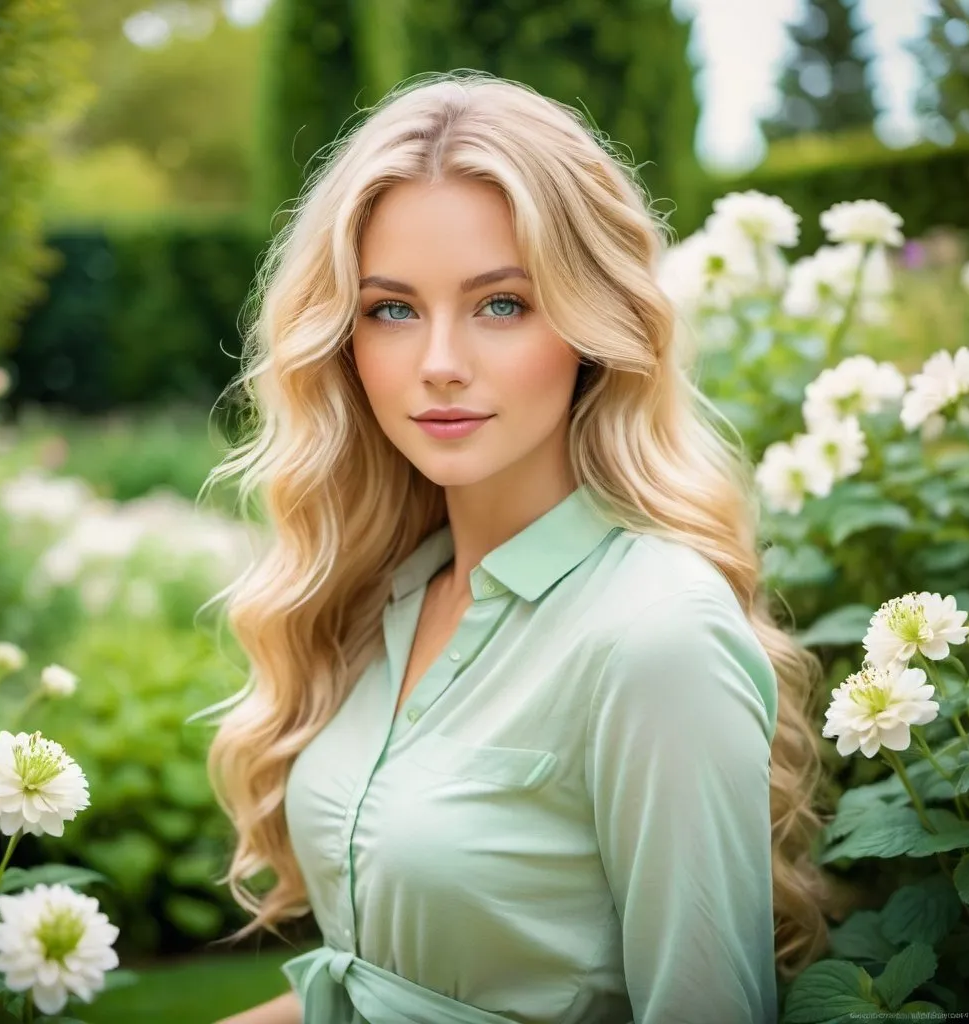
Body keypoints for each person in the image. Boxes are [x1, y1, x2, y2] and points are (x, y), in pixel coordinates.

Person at [206, 70, 834, 1024]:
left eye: (501, 304)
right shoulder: (395, 593)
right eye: (391, 309)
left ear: (593, 326)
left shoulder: (655, 635)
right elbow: (370, 991)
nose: (439, 362)